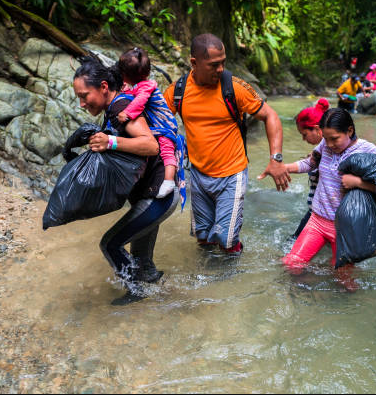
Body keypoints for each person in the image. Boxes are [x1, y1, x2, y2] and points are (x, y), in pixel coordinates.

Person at [164, 33, 290, 255]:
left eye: (223, 62)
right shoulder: (178, 91)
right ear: (194, 63)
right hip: (198, 174)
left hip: (232, 174)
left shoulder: (234, 88)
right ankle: (209, 284)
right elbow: (158, 125)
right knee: (203, 239)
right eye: (214, 65)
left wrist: (276, 160)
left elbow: (271, 116)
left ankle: (232, 278)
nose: (221, 69)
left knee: (226, 239)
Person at [73, 55, 179, 305]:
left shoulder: (120, 107)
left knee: (110, 244)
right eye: (78, 97)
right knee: (144, 264)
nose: (81, 103)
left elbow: (150, 145)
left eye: (84, 95)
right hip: (151, 195)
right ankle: (165, 303)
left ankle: (137, 293)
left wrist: (110, 141)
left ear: (103, 87)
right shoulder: (114, 109)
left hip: (157, 196)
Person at [282, 108, 376, 278]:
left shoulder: (368, 151)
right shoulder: (326, 145)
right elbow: (310, 163)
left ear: (349, 130)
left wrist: (358, 182)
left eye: (334, 139)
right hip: (317, 220)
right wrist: (283, 168)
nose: (328, 145)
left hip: (345, 227)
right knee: (292, 264)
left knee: (343, 278)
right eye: (326, 139)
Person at [116, 47, 181, 199]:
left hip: (165, 125)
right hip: (160, 123)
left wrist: (127, 113)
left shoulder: (146, 88)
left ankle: (169, 181)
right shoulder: (142, 85)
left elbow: (139, 101)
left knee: (166, 151)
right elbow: (134, 94)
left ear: (125, 75)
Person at [292, 98, 329, 238]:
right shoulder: (324, 150)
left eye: (304, 134)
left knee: (294, 241)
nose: (303, 139)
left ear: (317, 129)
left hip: (320, 212)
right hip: (319, 210)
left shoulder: (328, 151)